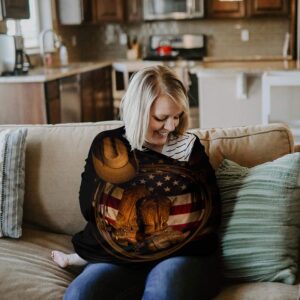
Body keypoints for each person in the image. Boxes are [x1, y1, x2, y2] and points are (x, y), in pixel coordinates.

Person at [52, 65, 221, 300]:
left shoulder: (187, 147)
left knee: (163, 290)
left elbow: (211, 213)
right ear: (138, 111)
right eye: (161, 118)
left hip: (181, 254)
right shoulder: (109, 145)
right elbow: (90, 210)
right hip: (118, 256)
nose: (171, 127)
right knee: (80, 295)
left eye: (177, 116)